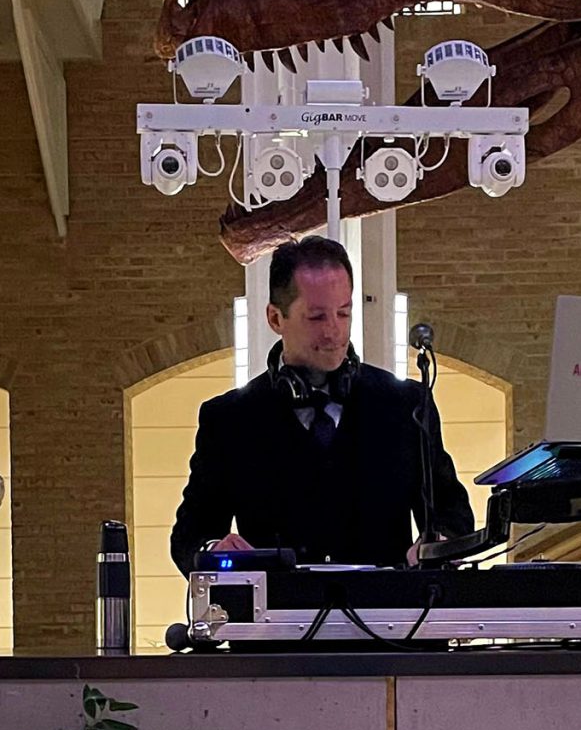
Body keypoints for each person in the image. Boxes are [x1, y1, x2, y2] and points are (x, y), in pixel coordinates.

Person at [170, 235, 476, 575]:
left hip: (388, 620)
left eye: (343, 313)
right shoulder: (229, 420)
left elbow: (453, 513)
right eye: (316, 317)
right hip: (277, 623)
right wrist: (214, 551)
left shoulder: (406, 406)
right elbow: (189, 535)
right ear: (275, 318)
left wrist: (438, 543)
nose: (334, 331)